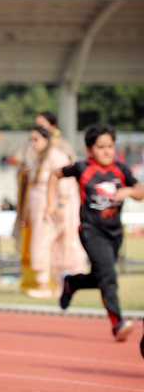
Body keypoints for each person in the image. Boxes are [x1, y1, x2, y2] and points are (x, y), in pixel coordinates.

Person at [50, 124, 143, 344]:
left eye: (110, 146)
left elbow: (140, 191)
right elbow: (55, 174)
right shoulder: (83, 167)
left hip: (114, 232)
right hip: (91, 231)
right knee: (108, 275)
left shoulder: (121, 169)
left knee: (102, 276)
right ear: (90, 149)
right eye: (101, 147)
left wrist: (128, 191)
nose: (107, 151)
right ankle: (117, 323)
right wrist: (50, 204)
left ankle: (72, 283)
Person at [23, 125, 84, 298]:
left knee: (50, 245)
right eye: (31, 140)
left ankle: (52, 285)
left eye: (36, 139)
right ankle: (49, 285)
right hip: (40, 209)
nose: (33, 144)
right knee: (46, 245)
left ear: (46, 139)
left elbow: (65, 180)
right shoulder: (38, 158)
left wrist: (61, 205)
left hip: (52, 209)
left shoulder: (56, 156)